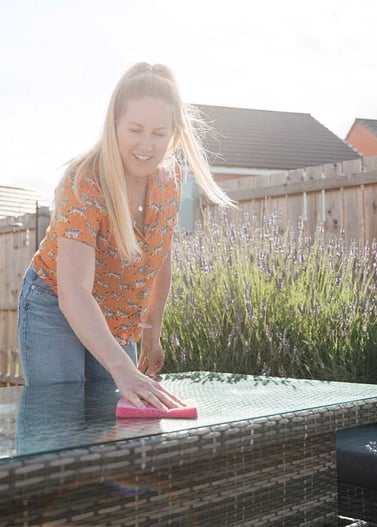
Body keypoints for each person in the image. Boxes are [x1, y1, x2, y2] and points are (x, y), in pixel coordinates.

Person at [17, 62, 233, 410]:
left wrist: (151, 331)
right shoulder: (84, 182)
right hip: (54, 304)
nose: (146, 145)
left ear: (174, 134)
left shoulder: (170, 181)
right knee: (60, 420)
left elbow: (159, 260)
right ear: (114, 125)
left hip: (118, 315)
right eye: (135, 129)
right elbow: (73, 292)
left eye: (159, 133)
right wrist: (122, 366)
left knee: (115, 421)